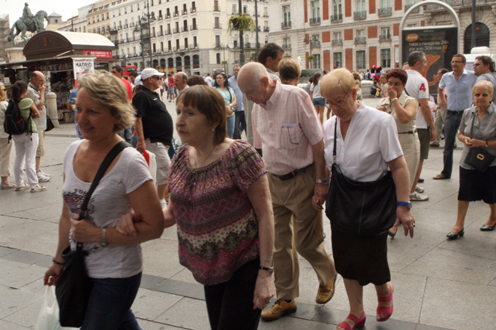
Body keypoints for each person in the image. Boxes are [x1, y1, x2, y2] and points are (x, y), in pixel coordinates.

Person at [119, 85, 276, 329]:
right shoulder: (181, 155)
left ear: (213, 119)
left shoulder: (239, 155)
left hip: (244, 263)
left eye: (190, 113)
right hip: (209, 268)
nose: (180, 120)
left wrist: (265, 272)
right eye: (179, 111)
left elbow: (266, 213)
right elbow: (172, 213)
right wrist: (136, 218)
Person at [43, 72, 164, 329]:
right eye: (78, 109)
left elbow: (155, 227)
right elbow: (68, 215)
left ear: (116, 115)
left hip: (117, 273)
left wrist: (98, 234)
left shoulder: (130, 162)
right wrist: (58, 260)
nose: (81, 119)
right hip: (80, 268)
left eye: (93, 112)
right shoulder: (72, 151)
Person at [237, 62, 337, 322]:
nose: (248, 98)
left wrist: (320, 181)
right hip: (272, 182)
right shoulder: (257, 107)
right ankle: (286, 297)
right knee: (279, 245)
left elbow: (317, 142)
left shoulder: (296, 97)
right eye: (244, 94)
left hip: (302, 179)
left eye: (249, 92)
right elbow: (259, 149)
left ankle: (328, 273)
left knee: (306, 242)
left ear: (265, 81)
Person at [320, 69, 415, 330]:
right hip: (343, 200)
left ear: (354, 92)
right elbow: (327, 165)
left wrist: (403, 206)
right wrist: (320, 188)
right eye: (330, 102)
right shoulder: (329, 125)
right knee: (346, 261)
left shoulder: (380, 121)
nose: (335, 108)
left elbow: (398, 166)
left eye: (340, 100)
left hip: (373, 200)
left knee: (372, 259)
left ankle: (384, 289)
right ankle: (356, 312)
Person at [446, 80, 496, 239]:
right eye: (477, 94)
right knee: (464, 193)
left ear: (491, 96)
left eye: (484, 94)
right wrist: (464, 139)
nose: (480, 97)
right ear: (473, 95)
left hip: (490, 162)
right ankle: (458, 225)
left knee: (491, 193)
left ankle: (493, 217)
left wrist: (484, 143)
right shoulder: (468, 112)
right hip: (469, 160)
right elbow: (460, 133)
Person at [377, 69, 420, 238]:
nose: (392, 87)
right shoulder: (383, 101)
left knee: (403, 183)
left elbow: (405, 118)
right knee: (389, 182)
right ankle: (391, 215)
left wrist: (394, 99)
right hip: (389, 144)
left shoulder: (410, 101)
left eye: (397, 84)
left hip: (407, 142)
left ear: (403, 85)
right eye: (390, 83)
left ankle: (395, 222)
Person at [133, 68, 174, 208]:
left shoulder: (151, 94)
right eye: (157, 78)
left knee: (161, 170)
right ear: (150, 79)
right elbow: (137, 119)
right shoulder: (142, 96)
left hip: (160, 140)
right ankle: (160, 200)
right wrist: (140, 141)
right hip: (153, 139)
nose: (160, 80)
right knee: (165, 169)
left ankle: (160, 199)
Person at [435, 54, 477, 180]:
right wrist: (443, 102)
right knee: (448, 145)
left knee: (470, 143)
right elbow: (440, 88)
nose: (454, 64)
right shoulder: (446, 77)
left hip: (467, 114)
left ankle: (472, 172)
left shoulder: (471, 76)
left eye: (457, 62)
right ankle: (446, 172)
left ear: (463, 64)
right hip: (451, 114)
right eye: (453, 62)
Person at [405, 51, 436, 200]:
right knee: (418, 158)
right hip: (420, 124)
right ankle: (411, 191)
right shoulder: (421, 81)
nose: (425, 64)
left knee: (404, 158)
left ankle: (411, 183)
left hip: (403, 123)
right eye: (424, 62)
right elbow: (424, 106)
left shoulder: (400, 77)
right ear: (417, 63)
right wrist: (433, 126)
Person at [10, 81, 46, 193]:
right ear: (24, 90)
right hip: (29, 132)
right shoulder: (27, 101)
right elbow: (38, 113)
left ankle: (19, 183)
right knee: (30, 159)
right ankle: (34, 185)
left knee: (19, 158)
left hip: (16, 133)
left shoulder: (12, 102)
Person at [27, 71, 50, 182]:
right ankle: (36, 172)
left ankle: (37, 170)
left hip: (40, 124)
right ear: (33, 79)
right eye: (40, 80)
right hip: (36, 125)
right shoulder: (31, 91)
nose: (42, 83)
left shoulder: (34, 90)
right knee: (38, 150)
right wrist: (42, 93)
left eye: (43, 80)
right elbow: (39, 106)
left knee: (40, 149)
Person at [0, 82, 15, 189]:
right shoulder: (4, 105)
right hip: (4, 133)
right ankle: (4, 181)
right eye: (4, 89)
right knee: (5, 157)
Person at [213, 72, 237, 139]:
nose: (218, 79)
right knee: (220, 132)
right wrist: (225, 108)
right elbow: (215, 101)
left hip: (230, 112)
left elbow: (235, 99)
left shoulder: (229, 89)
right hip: (220, 113)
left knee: (230, 132)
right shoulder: (214, 90)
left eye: (220, 78)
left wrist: (229, 106)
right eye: (217, 78)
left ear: (224, 79)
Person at [431, 68, 449, 148]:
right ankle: (436, 140)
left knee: (447, 125)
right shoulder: (442, 83)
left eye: (439, 73)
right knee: (437, 123)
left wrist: (438, 107)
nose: (437, 75)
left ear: (443, 74)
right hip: (441, 106)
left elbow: (444, 97)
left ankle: (451, 142)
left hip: (444, 106)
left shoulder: (446, 84)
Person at [229, 65, 247, 139]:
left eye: (238, 70)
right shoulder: (229, 81)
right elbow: (229, 93)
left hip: (245, 108)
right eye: (235, 70)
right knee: (235, 129)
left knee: (247, 127)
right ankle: (238, 144)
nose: (236, 71)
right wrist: (232, 104)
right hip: (236, 108)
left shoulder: (246, 79)